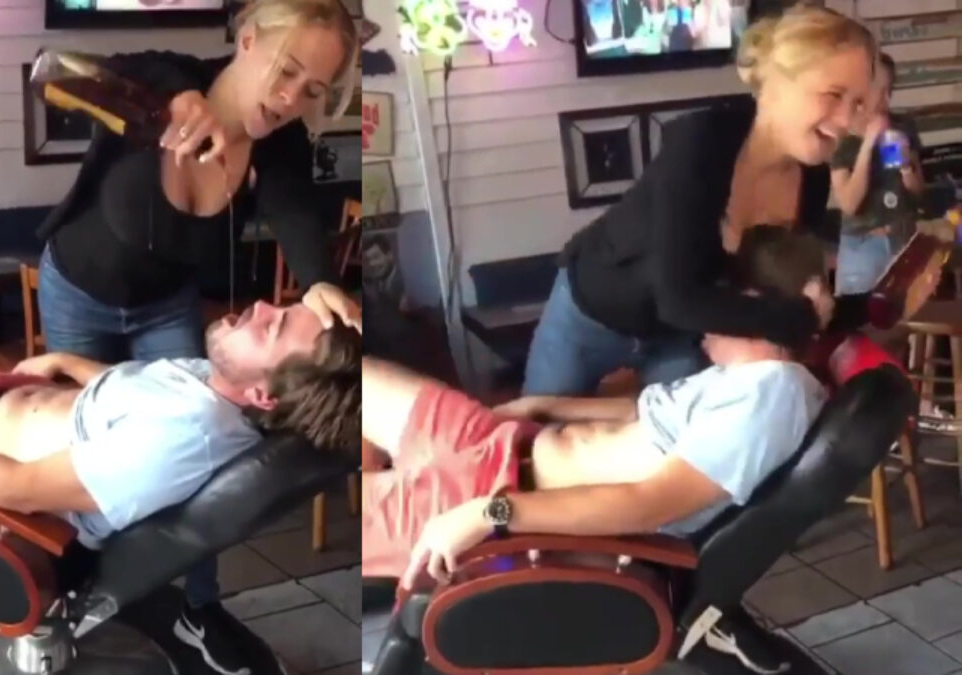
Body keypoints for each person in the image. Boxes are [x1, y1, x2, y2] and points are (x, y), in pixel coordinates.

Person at [33, 0, 361, 666]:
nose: (291, 99)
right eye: (286, 71)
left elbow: (295, 210)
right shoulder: (166, 80)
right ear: (247, 40)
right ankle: (53, 601)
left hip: (167, 307)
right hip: (78, 292)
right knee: (76, 451)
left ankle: (197, 609)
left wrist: (321, 281)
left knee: (202, 462)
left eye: (313, 89)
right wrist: (172, 96)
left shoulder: (280, 143)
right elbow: (52, 74)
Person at [0, 302, 361, 645]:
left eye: (271, 327)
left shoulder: (188, 435)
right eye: (279, 310)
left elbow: (19, 490)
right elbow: (142, 393)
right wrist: (68, 363)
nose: (262, 307)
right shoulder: (218, 383)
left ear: (263, 395)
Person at [361, 227, 829, 584]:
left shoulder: (771, 397)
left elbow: (649, 504)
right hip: (504, 443)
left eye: (712, 301)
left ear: (752, 306)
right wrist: (544, 405)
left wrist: (489, 513)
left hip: (497, 492)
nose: (697, 316)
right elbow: (641, 414)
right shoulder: (739, 380)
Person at [522, 5, 875, 398]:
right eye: (833, 94)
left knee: (678, 435)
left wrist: (870, 307)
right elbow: (680, 298)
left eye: (859, 103)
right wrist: (800, 317)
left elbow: (777, 293)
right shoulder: (700, 143)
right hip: (593, 311)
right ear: (775, 84)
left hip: (682, 336)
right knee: (532, 427)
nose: (848, 121)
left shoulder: (813, 177)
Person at [830, 52, 926, 296]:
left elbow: (917, 192)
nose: (887, 99)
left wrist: (906, 166)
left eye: (889, 90)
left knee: (909, 314)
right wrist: (869, 141)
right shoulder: (841, 135)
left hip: (903, 240)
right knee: (858, 315)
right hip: (863, 246)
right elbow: (849, 203)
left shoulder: (902, 126)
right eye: (880, 91)